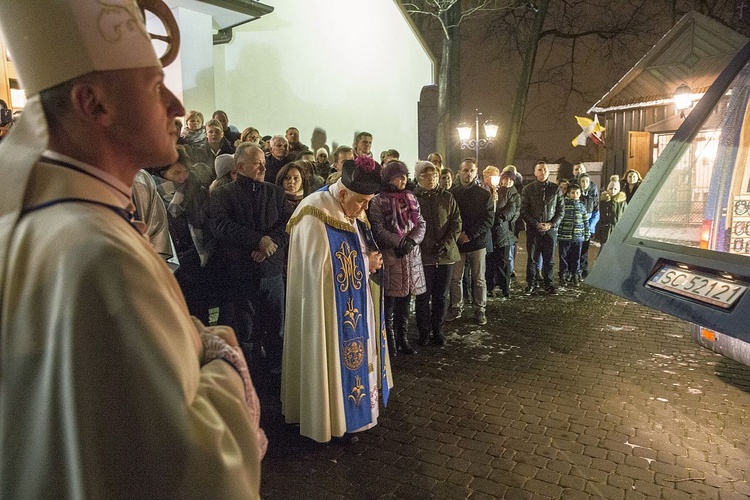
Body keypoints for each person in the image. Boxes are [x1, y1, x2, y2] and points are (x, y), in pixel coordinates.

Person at [0, 2, 265, 498]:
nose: (177, 105)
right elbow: (192, 470)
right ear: (94, 104)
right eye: (152, 85)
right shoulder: (102, 254)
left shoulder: (43, 221)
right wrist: (223, 357)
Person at [282, 156, 393, 443]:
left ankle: (354, 416)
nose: (366, 208)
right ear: (342, 192)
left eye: (369, 201)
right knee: (328, 355)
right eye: (362, 201)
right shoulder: (313, 212)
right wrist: (365, 264)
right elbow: (318, 271)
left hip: (355, 301)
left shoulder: (351, 208)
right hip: (325, 311)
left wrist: (369, 259)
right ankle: (329, 417)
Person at [211, 143, 289, 374]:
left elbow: (287, 225)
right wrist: (256, 241)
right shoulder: (222, 195)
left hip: (271, 273)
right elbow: (220, 226)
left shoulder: (276, 193)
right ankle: (248, 378)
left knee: (276, 329)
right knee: (243, 332)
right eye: (257, 163)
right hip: (240, 274)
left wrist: (268, 244)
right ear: (240, 165)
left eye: (264, 163)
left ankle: (276, 379)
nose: (263, 167)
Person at [152, 149, 216, 323]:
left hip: (195, 258)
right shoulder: (153, 194)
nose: (182, 177)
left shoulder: (198, 191)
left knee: (198, 315)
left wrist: (201, 251)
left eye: (185, 171)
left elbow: (208, 223)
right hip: (168, 260)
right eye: (176, 172)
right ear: (163, 172)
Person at [370, 161, 426, 356]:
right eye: (399, 176)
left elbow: (420, 223)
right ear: (389, 178)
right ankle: (389, 341)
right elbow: (378, 228)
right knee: (390, 302)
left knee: (406, 301)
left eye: (405, 176)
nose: (403, 180)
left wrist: (411, 241)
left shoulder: (411, 198)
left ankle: (403, 338)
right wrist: (399, 242)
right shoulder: (378, 200)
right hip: (392, 256)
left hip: (410, 256)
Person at [413, 161, 461, 346]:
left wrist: (446, 243)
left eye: (434, 175)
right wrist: (425, 244)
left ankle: (438, 330)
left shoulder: (447, 197)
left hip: (445, 255)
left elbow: (456, 222)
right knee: (423, 296)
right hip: (423, 255)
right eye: (426, 176)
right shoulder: (413, 198)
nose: (431, 179)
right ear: (418, 178)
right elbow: (411, 224)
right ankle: (423, 332)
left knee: (441, 296)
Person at [446, 158, 494, 325]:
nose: (468, 173)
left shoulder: (484, 194)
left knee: (479, 278)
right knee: (455, 278)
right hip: (457, 243)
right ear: (459, 172)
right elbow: (448, 218)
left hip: (477, 243)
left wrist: (470, 234)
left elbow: (488, 219)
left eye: (471, 170)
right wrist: (458, 235)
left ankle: (480, 308)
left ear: (476, 172)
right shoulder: (452, 193)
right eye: (465, 170)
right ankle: (456, 307)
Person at [520, 161, 564, 295]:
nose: (542, 172)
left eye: (544, 170)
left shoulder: (555, 189)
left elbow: (561, 210)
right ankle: (531, 283)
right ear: (535, 172)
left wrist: (551, 224)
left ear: (548, 172)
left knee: (549, 259)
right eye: (539, 170)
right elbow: (524, 210)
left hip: (550, 230)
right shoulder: (528, 189)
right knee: (532, 258)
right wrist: (535, 224)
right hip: (534, 229)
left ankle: (548, 284)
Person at [489, 170, 521, 299]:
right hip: (492, 232)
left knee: (504, 261)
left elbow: (513, 210)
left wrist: (501, 217)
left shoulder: (512, 194)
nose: (507, 181)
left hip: (505, 231)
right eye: (505, 179)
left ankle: (504, 287)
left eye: (510, 179)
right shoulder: (494, 191)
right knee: (490, 262)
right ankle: (490, 286)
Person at [557, 184, 589, 287]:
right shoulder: (564, 205)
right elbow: (560, 220)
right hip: (564, 236)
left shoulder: (582, 206)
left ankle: (575, 274)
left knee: (576, 257)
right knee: (563, 256)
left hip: (578, 236)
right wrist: (558, 233)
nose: (575, 195)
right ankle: (563, 274)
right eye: (573, 193)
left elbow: (585, 221)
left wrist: (586, 233)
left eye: (577, 193)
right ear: (569, 193)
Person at [578, 173, 599, 278]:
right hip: (576, 227)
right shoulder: (576, 195)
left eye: (586, 181)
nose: (584, 183)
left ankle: (584, 269)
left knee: (584, 250)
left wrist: (590, 227)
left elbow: (596, 213)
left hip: (587, 229)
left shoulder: (592, 197)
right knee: (575, 249)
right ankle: (574, 270)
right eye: (582, 181)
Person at [597, 175, 628, 245]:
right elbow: (601, 216)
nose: (612, 191)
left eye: (615, 189)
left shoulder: (622, 202)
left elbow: (625, 216)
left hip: (617, 229)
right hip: (605, 229)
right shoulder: (604, 201)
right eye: (610, 189)